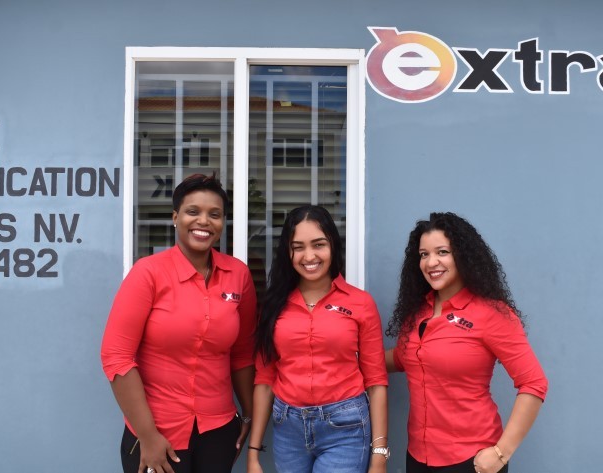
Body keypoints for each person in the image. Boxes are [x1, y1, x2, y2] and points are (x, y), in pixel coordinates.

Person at [101, 173, 257, 473]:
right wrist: (148, 436)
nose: (203, 221)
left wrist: (248, 415)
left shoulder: (238, 275)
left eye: (215, 214)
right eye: (192, 211)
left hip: (219, 431)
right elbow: (116, 357)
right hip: (157, 433)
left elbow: (242, 353)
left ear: (223, 223)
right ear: (175, 217)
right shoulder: (148, 273)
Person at [385, 212, 548, 473]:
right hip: (417, 457)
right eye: (424, 254)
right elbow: (406, 357)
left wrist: (501, 453)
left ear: (463, 255)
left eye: (442, 252)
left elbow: (534, 383)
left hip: (471, 459)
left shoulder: (492, 314)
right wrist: (351, 359)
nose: (431, 262)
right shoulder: (417, 313)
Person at [247, 205, 389, 473]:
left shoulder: (360, 303)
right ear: (287, 252)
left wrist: (379, 454)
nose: (309, 256)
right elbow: (265, 381)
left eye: (318, 244)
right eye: (298, 247)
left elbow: (376, 382)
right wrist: (253, 454)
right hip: (287, 429)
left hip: (345, 427)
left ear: (333, 245)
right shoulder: (274, 305)